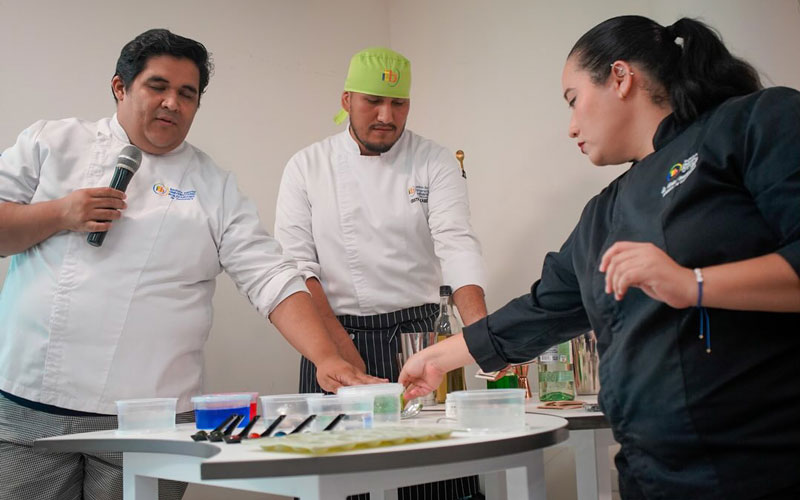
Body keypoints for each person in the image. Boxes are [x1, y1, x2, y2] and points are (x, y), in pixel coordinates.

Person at [400, 15, 800, 500]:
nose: (571, 127)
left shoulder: (754, 122)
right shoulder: (601, 215)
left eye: (573, 100)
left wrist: (692, 284)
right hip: (650, 474)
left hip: (762, 465)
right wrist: (438, 358)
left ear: (620, 77)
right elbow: (542, 310)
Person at [0, 29, 378, 500]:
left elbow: (270, 276)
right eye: (157, 87)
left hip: (153, 418)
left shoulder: (212, 184)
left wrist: (326, 357)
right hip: (30, 405)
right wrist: (60, 213)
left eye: (187, 94)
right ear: (120, 87)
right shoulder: (52, 142)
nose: (172, 104)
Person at [275, 47, 488, 499]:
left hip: (420, 342)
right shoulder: (307, 166)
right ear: (347, 100)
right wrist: (336, 347)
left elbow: (456, 244)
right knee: (339, 482)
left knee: (433, 481)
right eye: (373, 101)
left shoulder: (434, 161)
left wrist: (483, 334)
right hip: (331, 334)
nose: (386, 116)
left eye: (398, 103)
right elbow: (297, 266)